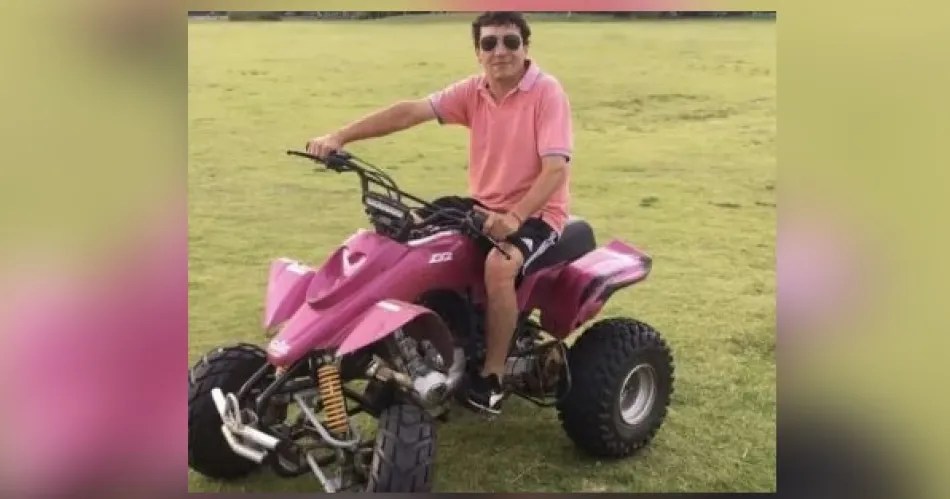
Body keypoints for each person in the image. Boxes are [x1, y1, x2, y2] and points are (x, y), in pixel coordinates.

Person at [305, 11, 573, 415]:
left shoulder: (546, 92)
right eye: (489, 43)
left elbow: (556, 170)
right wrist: (340, 136)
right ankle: (407, 340)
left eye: (510, 41)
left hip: (537, 213)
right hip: (483, 204)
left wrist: (515, 218)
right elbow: (410, 111)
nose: (500, 51)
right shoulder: (475, 90)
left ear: (525, 47)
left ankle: (492, 376)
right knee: (407, 235)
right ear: (478, 52)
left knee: (499, 267)